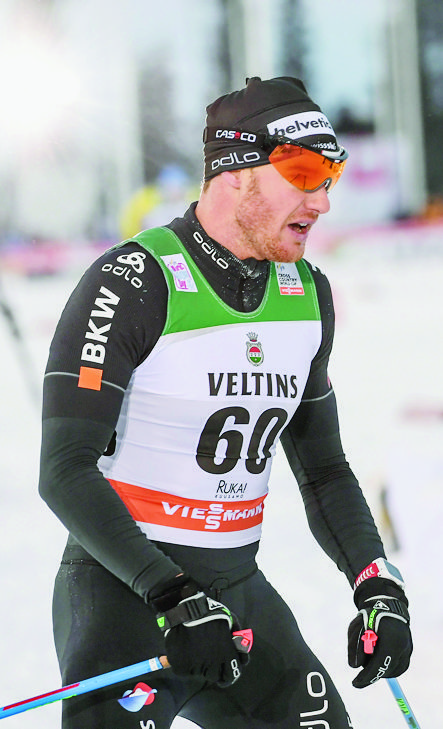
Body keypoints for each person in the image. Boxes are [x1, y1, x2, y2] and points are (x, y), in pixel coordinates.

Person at [39, 76, 413, 729]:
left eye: (331, 177)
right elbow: (64, 469)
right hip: (128, 596)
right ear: (236, 173)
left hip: (236, 593)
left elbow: (323, 469)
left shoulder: (308, 297)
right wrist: (170, 592)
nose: (322, 201)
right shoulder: (131, 281)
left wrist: (374, 580)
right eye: (303, 173)